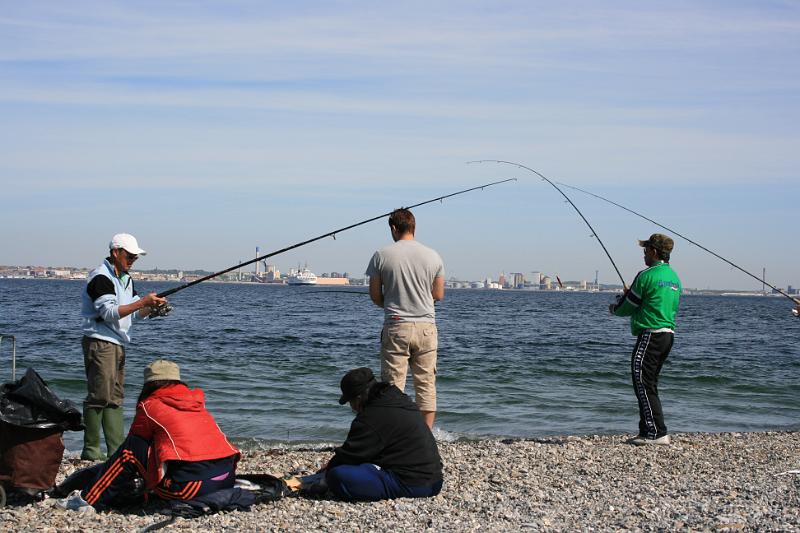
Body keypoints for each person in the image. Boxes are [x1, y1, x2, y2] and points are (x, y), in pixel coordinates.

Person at [65, 359, 240, 510]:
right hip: (227, 479)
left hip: (192, 488)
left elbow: (132, 449)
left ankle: (88, 500)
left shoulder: (150, 406)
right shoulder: (196, 403)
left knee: (130, 450)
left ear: (149, 384)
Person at [80, 233, 168, 460]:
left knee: (115, 396)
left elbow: (135, 314)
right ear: (115, 252)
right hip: (100, 342)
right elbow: (109, 313)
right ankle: (91, 450)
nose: (132, 260)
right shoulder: (101, 278)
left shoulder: (126, 279)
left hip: (118, 342)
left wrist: (152, 308)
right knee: (99, 395)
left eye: (135, 257)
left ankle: (115, 449)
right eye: (129, 256)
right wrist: (143, 302)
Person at [366, 208, 444, 429]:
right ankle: (425, 438)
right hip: (427, 328)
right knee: (426, 385)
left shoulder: (381, 255)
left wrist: (393, 303)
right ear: (414, 227)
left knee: (392, 386)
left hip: (396, 326)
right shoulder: (433, 255)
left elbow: (374, 296)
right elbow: (438, 295)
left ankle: (395, 436)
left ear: (393, 228)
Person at [322, 367, 443, 501]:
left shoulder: (370, 417)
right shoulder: (397, 398)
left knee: (337, 476)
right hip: (435, 479)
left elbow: (350, 455)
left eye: (351, 402)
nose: (352, 408)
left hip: (414, 484)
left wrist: (326, 472)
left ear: (359, 398)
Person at [609, 233, 682, 445]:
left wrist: (615, 307)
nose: (644, 254)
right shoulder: (674, 277)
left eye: (646, 250)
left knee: (642, 382)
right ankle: (647, 431)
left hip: (650, 335)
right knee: (649, 383)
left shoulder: (646, 275)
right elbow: (655, 303)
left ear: (654, 251)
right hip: (668, 335)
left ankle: (656, 434)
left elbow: (626, 308)